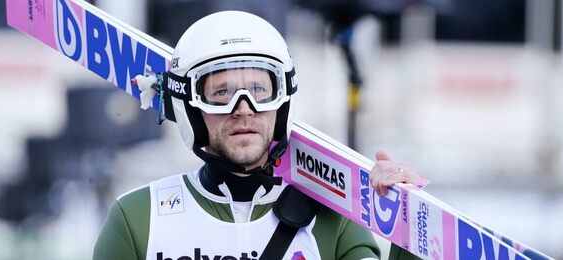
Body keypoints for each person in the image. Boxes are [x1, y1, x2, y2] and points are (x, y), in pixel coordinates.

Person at [94, 11, 421, 260]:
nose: (243, 108)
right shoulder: (139, 220)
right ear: (191, 109)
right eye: (221, 93)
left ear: (283, 100)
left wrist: (411, 225)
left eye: (259, 90)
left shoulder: (334, 220)